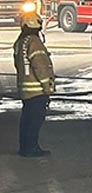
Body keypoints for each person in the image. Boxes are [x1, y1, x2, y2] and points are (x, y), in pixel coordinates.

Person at [14, 13, 55, 157]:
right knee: (35, 121)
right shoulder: (34, 42)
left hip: (25, 89)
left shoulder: (20, 42)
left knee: (26, 119)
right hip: (37, 90)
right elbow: (41, 66)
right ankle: (31, 148)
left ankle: (25, 147)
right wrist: (47, 87)